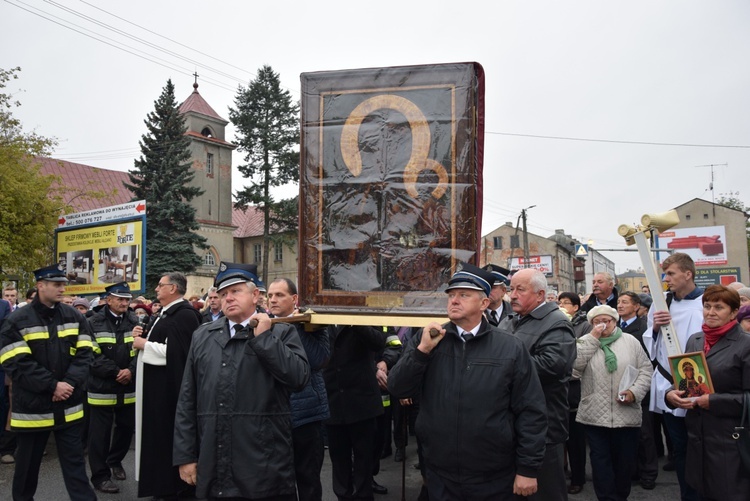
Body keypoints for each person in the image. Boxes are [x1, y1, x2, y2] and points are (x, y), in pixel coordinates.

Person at [389, 263, 547, 500]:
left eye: (464, 295)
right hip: (439, 473)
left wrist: (527, 469)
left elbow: (531, 410)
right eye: (451, 295)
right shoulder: (429, 341)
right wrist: (422, 351)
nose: (454, 300)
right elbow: (397, 387)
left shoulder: (510, 347)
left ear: (484, 303)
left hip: (493, 475)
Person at [174, 263, 310, 500]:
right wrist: (185, 455)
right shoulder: (203, 336)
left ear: (255, 295)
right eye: (223, 294)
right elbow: (187, 398)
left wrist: (265, 339)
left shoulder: (281, 332)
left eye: (235, 291)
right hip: (213, 459)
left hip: (264, 463)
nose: (228, 298)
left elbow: (298, 378)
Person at [0, 264, 97, 501]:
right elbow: (15, 362)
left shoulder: (74, 315)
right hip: (34, 410)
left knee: (76, 469)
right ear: (40, 286)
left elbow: (87, 353)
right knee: (26, 469)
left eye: (63, 284)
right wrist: (53, 386)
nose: (62, 289)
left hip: (68, 408)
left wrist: (68, 384)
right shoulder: (17, 320)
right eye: (57, 284)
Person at [665, 285, 750, 500]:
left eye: (719, 307)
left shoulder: (745, 345)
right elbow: (685, 382)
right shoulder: (696, 339)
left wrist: (713, 401)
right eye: (707, 306)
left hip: (731, 441)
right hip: (697, 438)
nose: (710, 312)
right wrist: (671, 395)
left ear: (733, 313)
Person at [499, 268, 576, 501]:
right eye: (511, 289)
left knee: (545, 491)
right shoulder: (510, 320)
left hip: (545, 427)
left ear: (540, 295)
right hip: (510, 423)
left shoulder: (557, 323)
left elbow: (553, 366)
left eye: (520, 290)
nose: (512, 295)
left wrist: (500, 363)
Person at [132, 271, 203, 499]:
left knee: (166, 440)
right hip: (156, 393)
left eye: (160, 285)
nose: (156, 289)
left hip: (169, 395)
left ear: (173, 288)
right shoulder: (165, 314)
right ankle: (159, 486)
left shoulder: (185, 315)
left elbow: (181, 354)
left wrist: (144, 344)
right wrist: (142, 336)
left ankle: (171, 488)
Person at [575, 305, 653, 501]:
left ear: (614, 321)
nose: (602, 325)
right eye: (596, 321)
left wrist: (634, 392)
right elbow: (573, 370)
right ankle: (606, 498)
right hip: (595, 415)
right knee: (600, 462)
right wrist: (592, 339)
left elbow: (646, 370)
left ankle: (621, 495)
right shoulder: (585, 342)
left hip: (626, 414)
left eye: (606, 321)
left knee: (625, 462)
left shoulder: (630, 341)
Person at [642, 252, 703, 501]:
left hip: (701, 380)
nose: (666, 279)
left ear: (688, 274)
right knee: (680, 447)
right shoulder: (661, 303)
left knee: (703, 446)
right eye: (665, 274)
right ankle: (687, 495)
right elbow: (650, 343)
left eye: (671, 274)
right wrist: (656, 327)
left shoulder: (706, 302)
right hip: (669, 382)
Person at [267, 277, 330, 501]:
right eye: (270, 295)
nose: (273, 300)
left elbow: (319, 359)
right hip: (274, 417)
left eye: (279, 295)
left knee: (308, 481)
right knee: (279, 484)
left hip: (306, 416)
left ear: (294, 299)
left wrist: (294, 325)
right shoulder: (262, 326)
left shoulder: (312, 325)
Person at [324, 323, 386, 501]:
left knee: (364, 458)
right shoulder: (319, 318)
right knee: (339, 458)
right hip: (333, 399)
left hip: (362, 401)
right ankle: (343, 496)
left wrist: (355, 323)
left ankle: (364, 495)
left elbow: (378, 343)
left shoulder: (361, 317)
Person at [86, 281, 138, 494]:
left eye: (127, 299)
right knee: (99, 435)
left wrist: (131, 371)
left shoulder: (136, 320)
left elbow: (141, 350)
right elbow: (90, 354)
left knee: (126, 429)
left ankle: (115, 460)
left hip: (128, 387)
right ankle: (100, 476)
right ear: (108, 300)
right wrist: (116, 372)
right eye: (120, 299)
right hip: (102, 387)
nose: (124, 302)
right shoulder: (92, 322)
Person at [557, 291, 591, 495]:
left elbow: (583, 352)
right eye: (559, 302)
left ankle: (578, 477)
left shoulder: (584, 325)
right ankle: (561, 471)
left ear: (576, 307)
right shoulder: (554, 322)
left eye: (566, 303)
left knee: (575, 438)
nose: (561, 306)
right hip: (556, 388)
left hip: (575, 387)